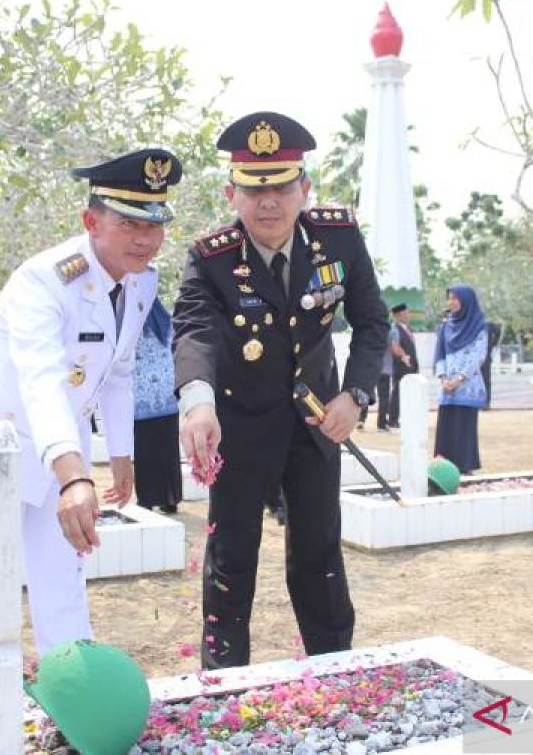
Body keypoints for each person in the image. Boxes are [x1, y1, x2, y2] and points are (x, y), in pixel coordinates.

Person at [0, 148, 182, 705]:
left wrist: (120, 455)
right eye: (129, 223)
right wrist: (75, 474)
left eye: (155, 224)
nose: (145, 239)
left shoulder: (141, 282)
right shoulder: (43, 281)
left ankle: (73, 697)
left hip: (56, 449)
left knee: (61, 575)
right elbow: (41, 381)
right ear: (90, 221)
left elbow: (119, 370)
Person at [173, 111, 388, 669]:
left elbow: (372, 324)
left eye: (281, 187)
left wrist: (356, 396)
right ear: (231, 194)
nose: (268, 203)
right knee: (232, 555)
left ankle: (333, 663)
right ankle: (223, 680)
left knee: (319, 553)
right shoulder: (211, 257)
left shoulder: (338, 238)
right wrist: (197, 401)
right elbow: (193, 330)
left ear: (304, 189)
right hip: (239, 427)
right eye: (253, 189)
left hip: (318, 422)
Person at [132, 298, 182, 514]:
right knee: (168, 449)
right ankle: (171, 498)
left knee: (144, 451)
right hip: (168, 397)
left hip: (141, 398)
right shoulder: (167, 322)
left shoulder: (132, 325)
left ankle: (147, 498)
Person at [433, 286, 489, 474]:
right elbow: (439, 354)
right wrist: (443, 379)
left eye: (455, 299)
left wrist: (459, 379)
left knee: (464, 428)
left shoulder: (479, 326)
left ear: (466, 301)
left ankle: (464, 467)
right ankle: (443, 469)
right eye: (449, 298)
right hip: (447, 387)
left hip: (467, 387)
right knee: (446, 429)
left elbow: (478, 355)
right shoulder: (445, 326)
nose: (450, 302)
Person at [385, 303, 419, 429]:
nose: (407, 315)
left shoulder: (407, 328)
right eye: (405, 313)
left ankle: (406, 418)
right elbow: (395, 346)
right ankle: (393, 420)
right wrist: (403, 356)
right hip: (401, 365)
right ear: (398, 315)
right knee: (397, 392)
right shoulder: (395, 329)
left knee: (409, 392)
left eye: (407, 313)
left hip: (410, 365)